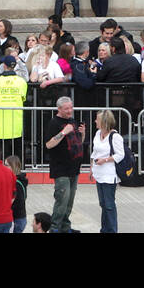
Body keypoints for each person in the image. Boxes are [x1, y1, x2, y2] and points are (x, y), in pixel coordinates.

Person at [45, 95, 84, 232]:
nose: (70, 111)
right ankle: (55, 227)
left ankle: (65, 227)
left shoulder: (72, 121)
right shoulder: (54, 123)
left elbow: (78, 142)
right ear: (59, 109)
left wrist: (82, 134)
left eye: (71, 107)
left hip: (74, 168)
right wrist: (63, 132)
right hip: (61, 169)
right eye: (66, 109)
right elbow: (49, 144)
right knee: (62, 200)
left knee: (69, 202)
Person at [88, 110, 126, 233]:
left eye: (97, 120)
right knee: (103, 203)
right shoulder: (98, 133)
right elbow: (94, 152)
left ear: (104, 122)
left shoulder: (115, 137)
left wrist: (105, 160)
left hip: (109, 175)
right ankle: (104, 229)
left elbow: (120, 155)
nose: (95, 121)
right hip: (99, 174)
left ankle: (112, 230)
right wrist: (91, 168)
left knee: (109, 205)